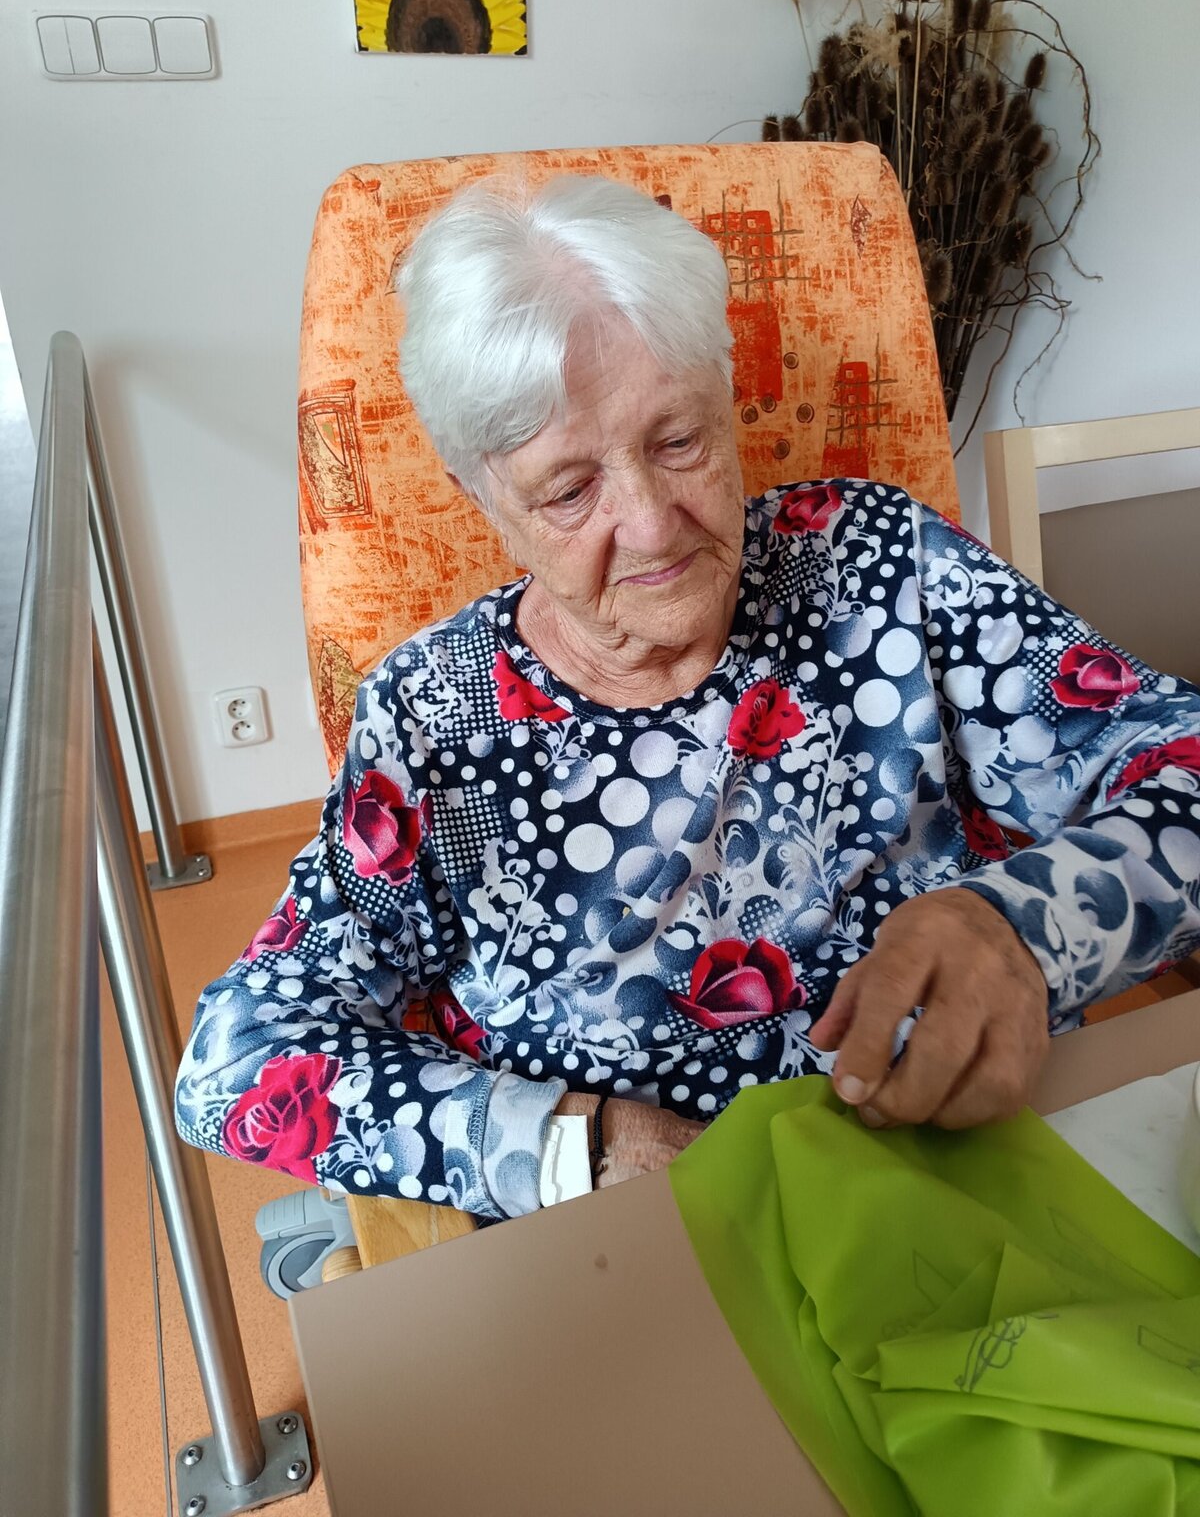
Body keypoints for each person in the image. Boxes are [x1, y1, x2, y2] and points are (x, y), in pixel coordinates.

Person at [175, 177, 1200, 1220]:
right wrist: (576, 1143)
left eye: (678, 441)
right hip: (652, 1244)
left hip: (978, 1182)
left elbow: (1186, 765)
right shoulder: (436, 718)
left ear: (727, 398)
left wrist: (1021, 924)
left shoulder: (877, 564)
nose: (654, 523)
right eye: (571, 490)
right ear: (482, 498)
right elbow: (236, 1060)